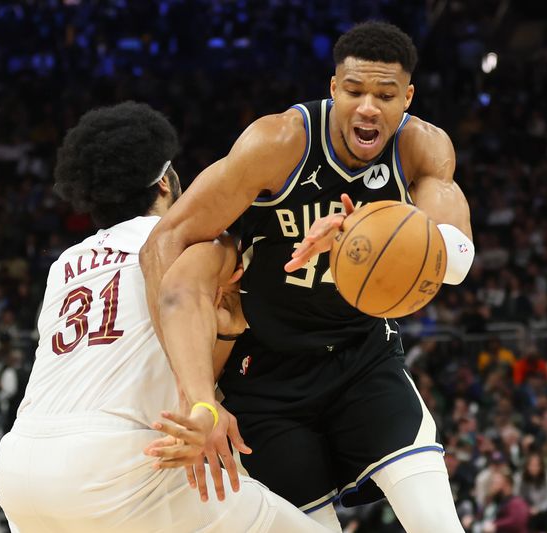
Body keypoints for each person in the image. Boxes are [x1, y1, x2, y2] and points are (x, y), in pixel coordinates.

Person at [141, 21, 473, 532]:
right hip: (266, 374)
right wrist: (197, 393)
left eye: (385, 95)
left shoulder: (422, 149)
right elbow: (165, 240)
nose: (368, 107)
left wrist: (363, 233)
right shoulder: (278, 143)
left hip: (363, 358)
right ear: (333, 88)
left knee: (438, 524)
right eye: (355, 90)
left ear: (406, 98)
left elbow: (456, 262)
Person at [0, 102, 332, 532]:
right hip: (117, 463)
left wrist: (222, 340)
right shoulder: (187, 245)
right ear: (166, 182)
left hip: (22, 470)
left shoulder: (65, 264)